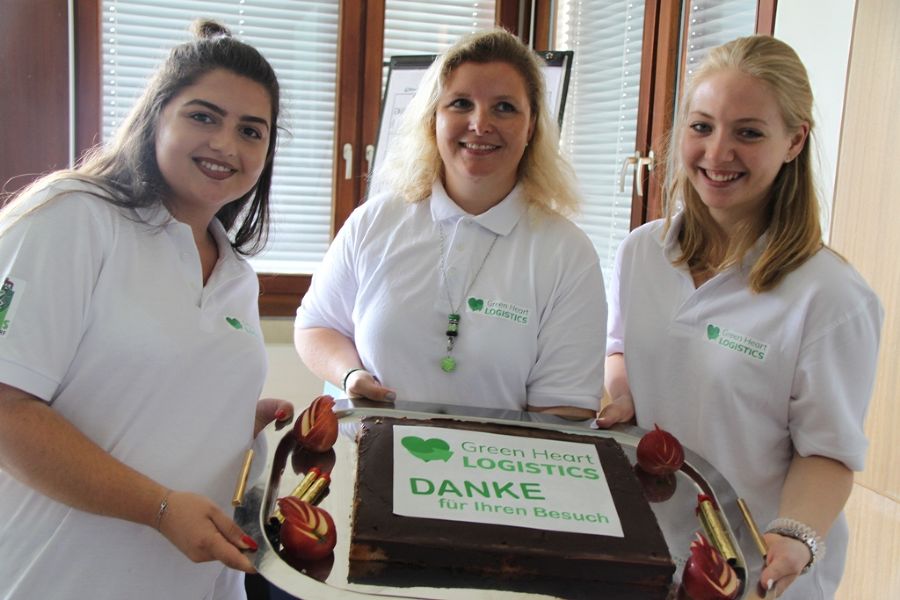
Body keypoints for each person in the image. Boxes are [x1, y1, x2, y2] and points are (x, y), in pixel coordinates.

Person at [0, 20, 294, 600]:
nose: (227, 146)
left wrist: (230, 415)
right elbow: (8, 410)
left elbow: (140, 383)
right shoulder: (70, 216)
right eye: (203, 116)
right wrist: (159, 509)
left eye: (251, 131)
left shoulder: (235, 271)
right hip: (58, 577)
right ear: (156, 114)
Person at [596, 35, 882, 599]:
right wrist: (623, 395)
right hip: (648, 550)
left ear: (795, 140)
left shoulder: (830, 296)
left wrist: (793, 538)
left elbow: (827, 453)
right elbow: (620, 349)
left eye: (748, 132)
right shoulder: (642, 253)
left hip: (755, 571)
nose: (717, 152)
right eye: (702, 126)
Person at [294, 28, 605, 420]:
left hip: (500, 476)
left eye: (505, 107)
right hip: (372, 464)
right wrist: (350, 373)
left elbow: (564, 411)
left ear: (531, 128)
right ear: (433, 120)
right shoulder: (375, 221)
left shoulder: (566, 252)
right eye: (460, 103)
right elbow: (317, 326)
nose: (480, 123)